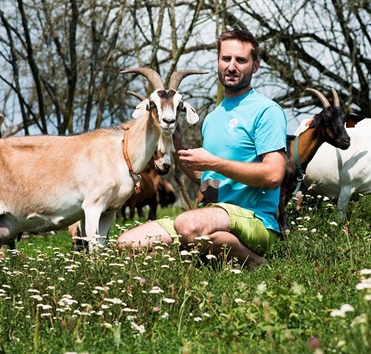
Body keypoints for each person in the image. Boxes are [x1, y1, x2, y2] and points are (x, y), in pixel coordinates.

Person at [117, 29, 287, 269]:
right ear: (218, 62)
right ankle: (208, 248)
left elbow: (273, 176)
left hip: (255, 221)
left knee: (189, 225)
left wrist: (214, 163)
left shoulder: (267, 111)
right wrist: (179, 146)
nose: (231, 66)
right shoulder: (213, 117)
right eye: (226, 58)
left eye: (241, 60)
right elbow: (207, 179)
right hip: (211, 216)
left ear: (255, 66)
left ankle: (257, 263)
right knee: (127, 242)